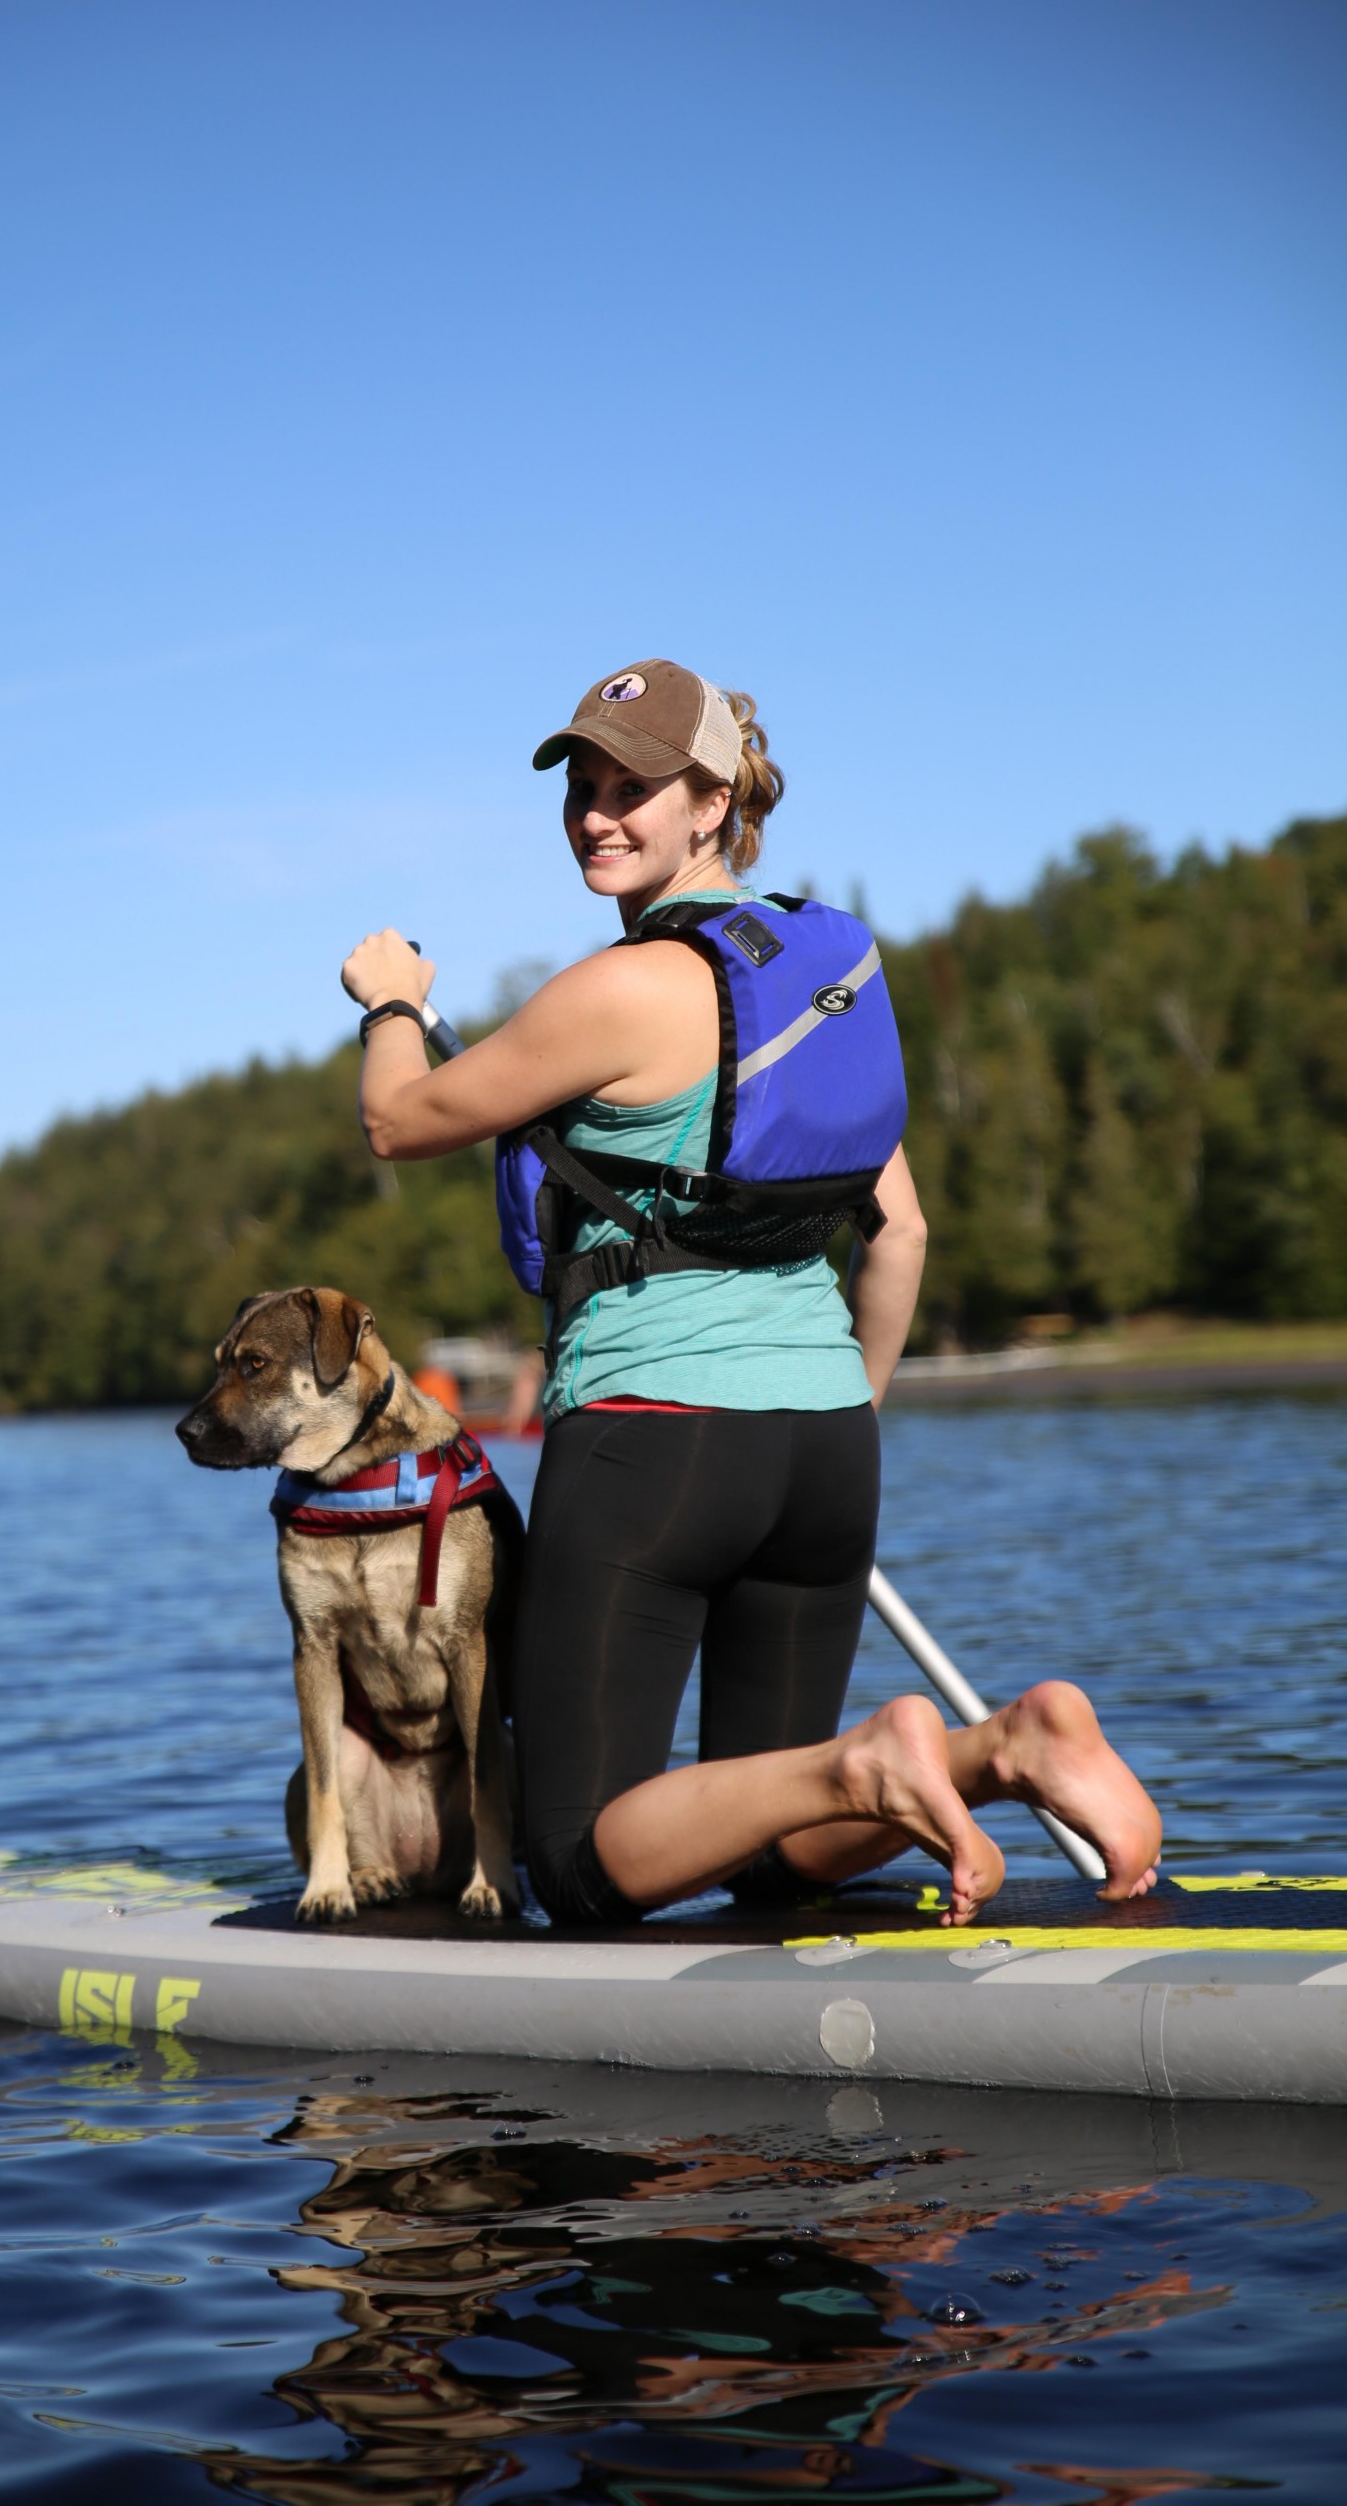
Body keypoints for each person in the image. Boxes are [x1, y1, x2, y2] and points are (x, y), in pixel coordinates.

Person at [341, 658, 1161, 1926]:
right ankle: (992, 1750)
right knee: (770, 1849)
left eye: (638, 789)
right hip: (826, 1445)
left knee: (575, 1860)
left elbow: (399, 1119)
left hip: (655, 1448)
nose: (600, 817)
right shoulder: (816, 996)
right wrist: (840, 1416)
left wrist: (391, 996)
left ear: (713, 802)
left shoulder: (619, 988)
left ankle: (872, 1760)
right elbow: (904, 1235)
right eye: (586, 789)